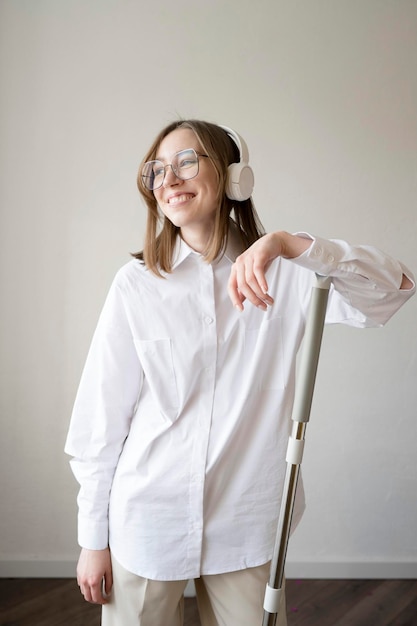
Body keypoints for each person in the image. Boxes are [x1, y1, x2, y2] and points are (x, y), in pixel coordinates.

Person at [65, 119, 415, 626]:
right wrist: (92, 538)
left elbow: (396, 288)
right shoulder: (135, 285)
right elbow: (100, 420)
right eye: (157, 169)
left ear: (234, 178)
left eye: (187, 161)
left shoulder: (291, 274)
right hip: (147, 520)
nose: (169, 177)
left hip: (247, 524)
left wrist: (292, 245)